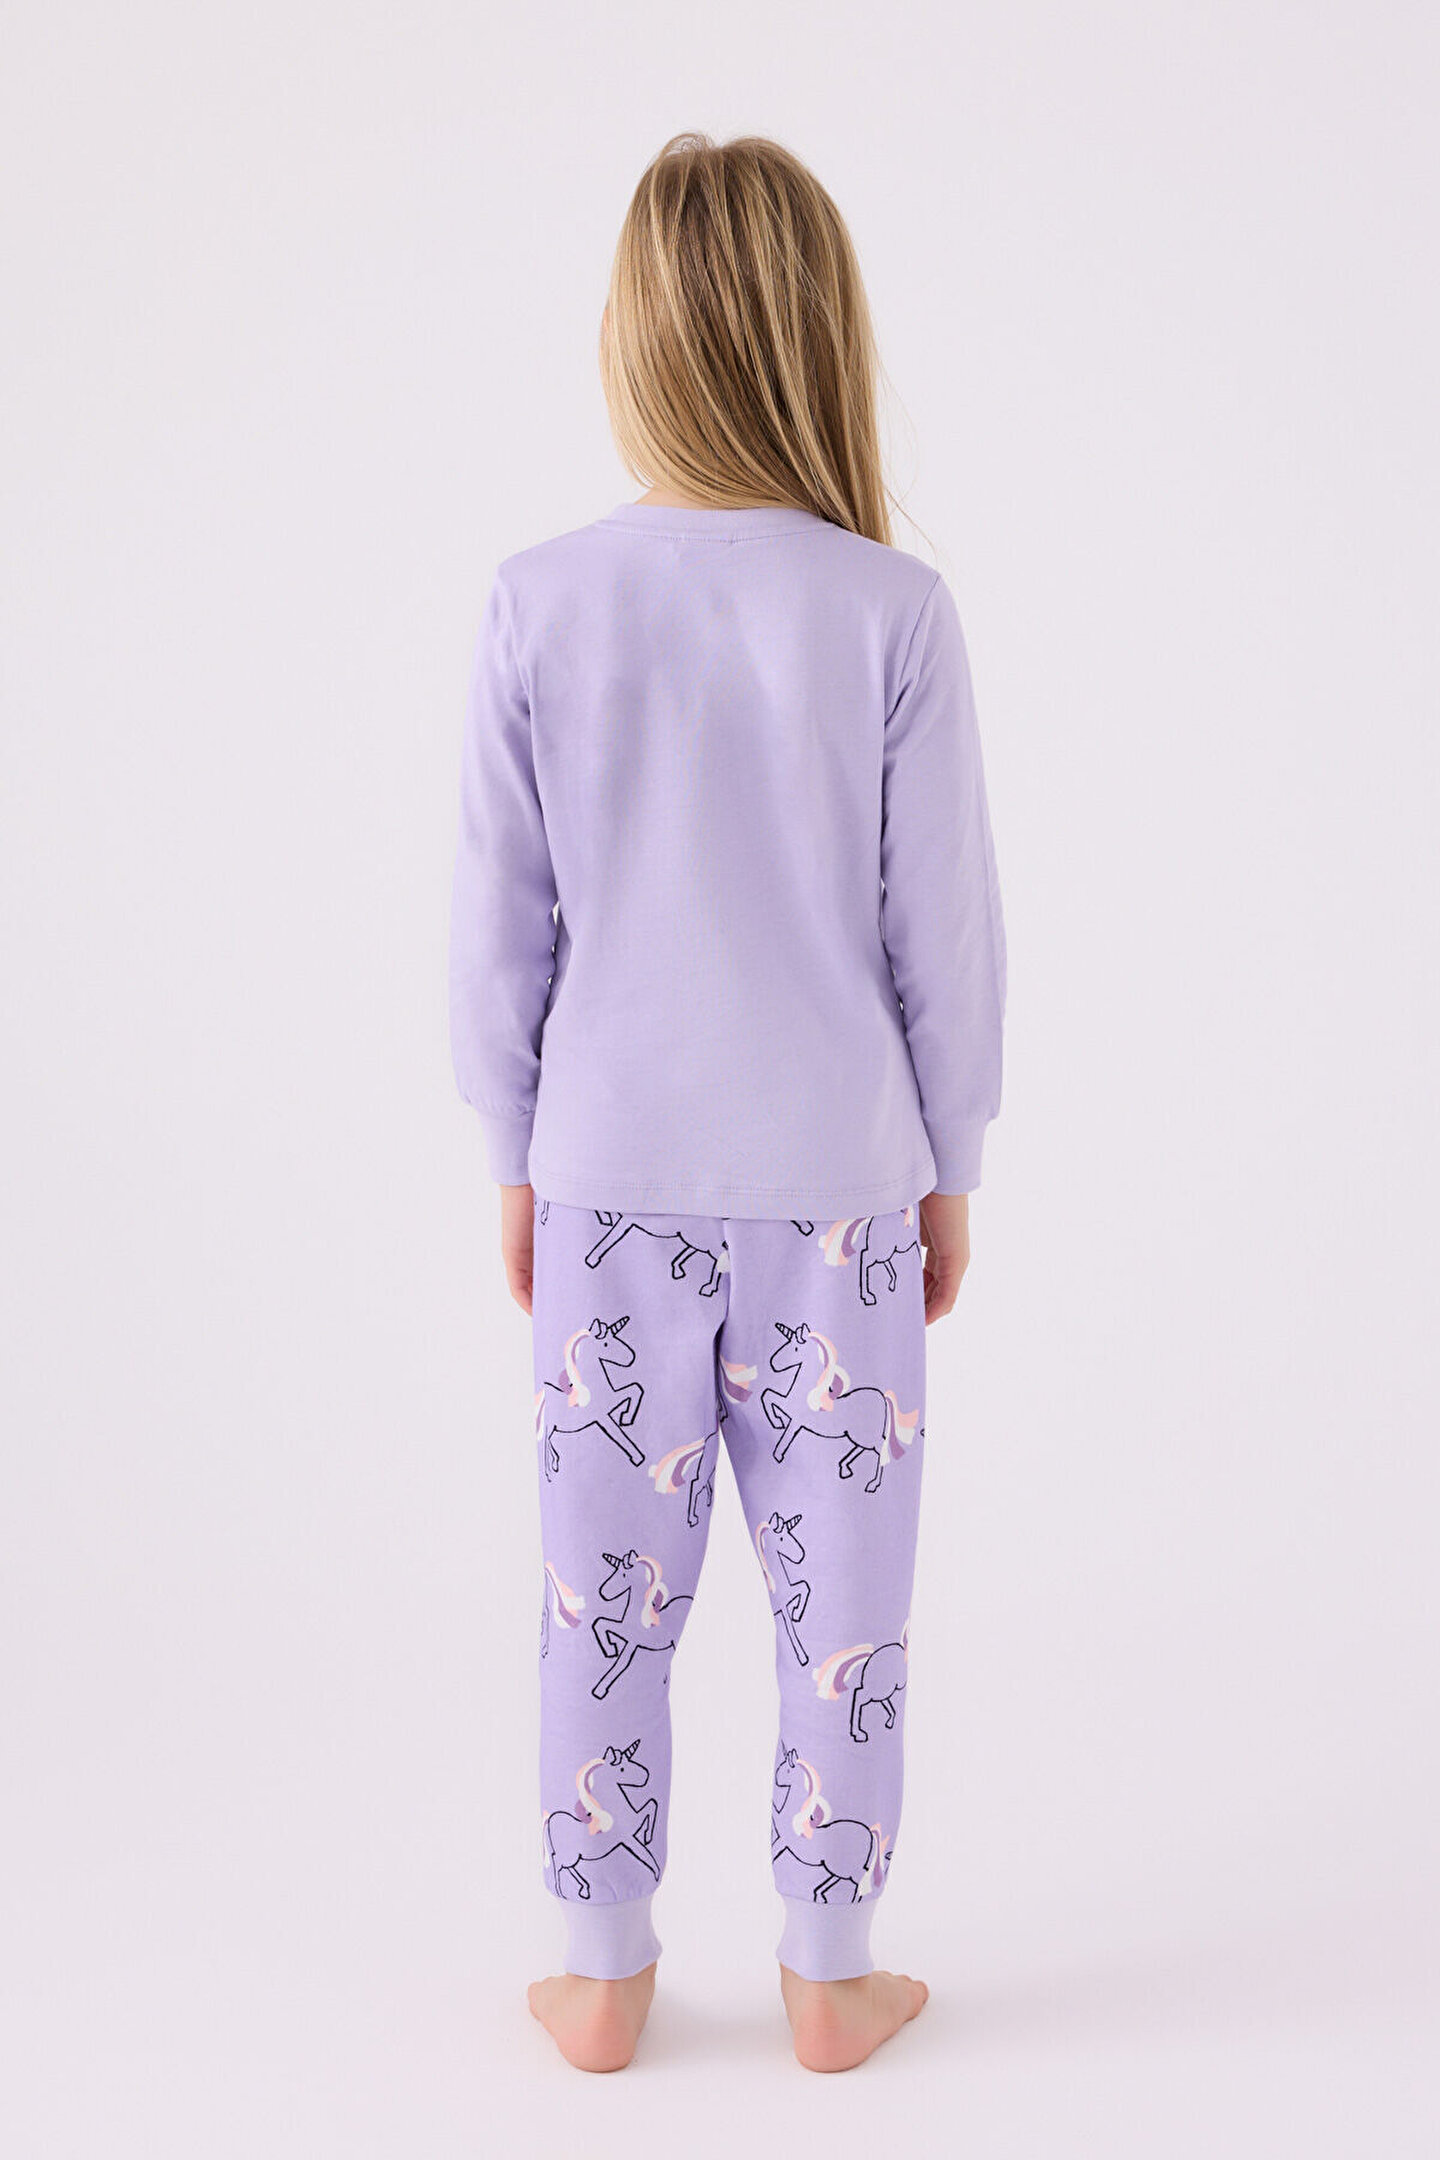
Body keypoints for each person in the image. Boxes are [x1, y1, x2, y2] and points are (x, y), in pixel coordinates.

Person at [448, 131, 1006, 2073]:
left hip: (606, 1177)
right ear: (816, 333)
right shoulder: (891, 611)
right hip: (841, 1187)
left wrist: (513, 1153)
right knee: (844, 1597)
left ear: (635, 339)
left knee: (601, 1590)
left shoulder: (540, 600)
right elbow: (945, 935)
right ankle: (830, 1969)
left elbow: (498, 929)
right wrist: (951, 1165)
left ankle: (602, 1969)